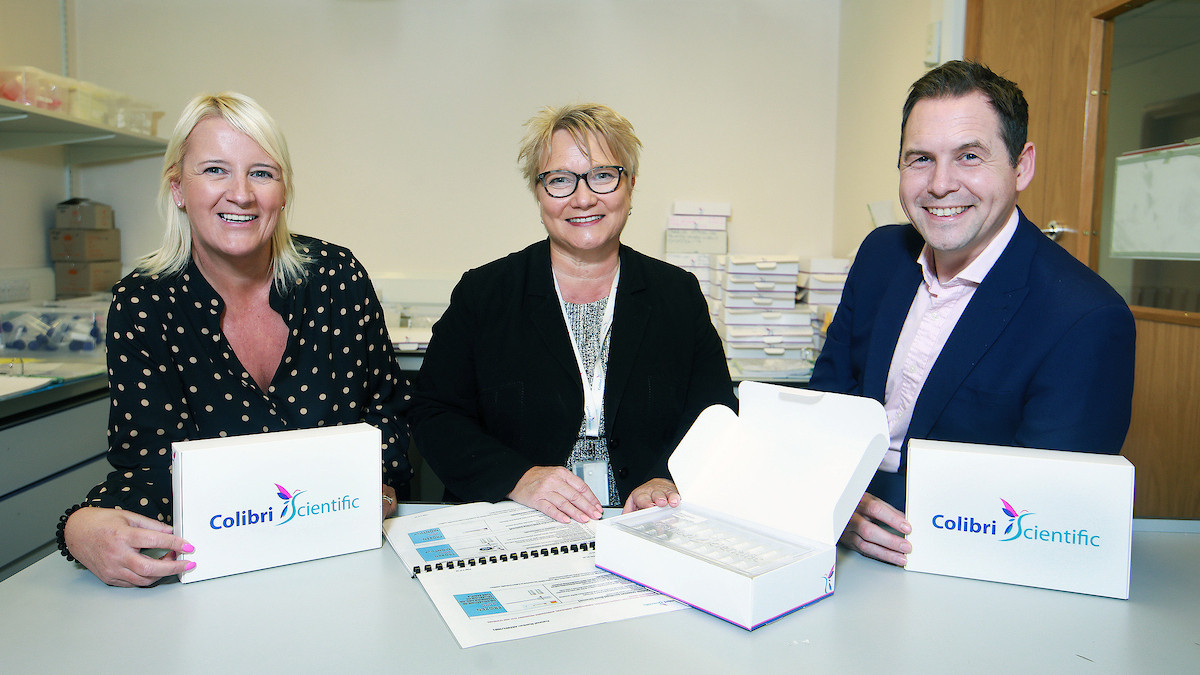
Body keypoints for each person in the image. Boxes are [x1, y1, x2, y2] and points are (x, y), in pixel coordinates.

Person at [58, 92, 411, 586]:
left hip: (349, 555)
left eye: (261, 172)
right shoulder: (144, 305)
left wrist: (381, 494)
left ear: (283, 191)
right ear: (178, 188)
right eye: (215, 170)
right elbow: (152, 467)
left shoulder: (336, 277)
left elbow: (387, 414)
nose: (241, 193)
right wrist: (78, 528)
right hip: (226, 571)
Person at [809, 61, 1135, 566]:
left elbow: (1050, 512)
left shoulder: (1086, 318)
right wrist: (835, 499)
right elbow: (827, 399)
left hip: (960, 563)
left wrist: (863, 513)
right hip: (831, 533)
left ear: (1021, 166)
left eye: (969, 156)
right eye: (920, 159)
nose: (940, 185)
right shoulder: (881, 255)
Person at [409, 103, 736, 524]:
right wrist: (518, 478)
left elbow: (715, 412)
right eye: (560, 180)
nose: (583, 198)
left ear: (630, 185)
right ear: (538, 193)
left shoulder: (676, 293)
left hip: (647, 523)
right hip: (516, 520)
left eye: (603, 175)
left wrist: (666, 479)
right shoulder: (485, 293)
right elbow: (434, 412)